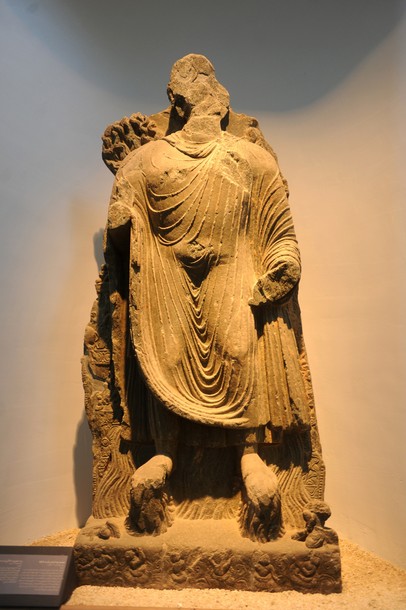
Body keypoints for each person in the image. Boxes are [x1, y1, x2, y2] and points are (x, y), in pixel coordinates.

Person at [87, 54, 323, 541]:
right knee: (165, 355)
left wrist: (283, 264)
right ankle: (163, 452)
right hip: (165, 282)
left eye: (211, 94)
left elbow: (279, 231)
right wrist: (122, 202)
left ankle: (249, 454)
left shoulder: (251, 159)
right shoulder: (146, 161)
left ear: (223, 102)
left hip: (233, 277)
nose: (207, 105)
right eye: (194, 96)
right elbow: (121, 232)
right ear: (176, 104)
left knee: (238, 350)